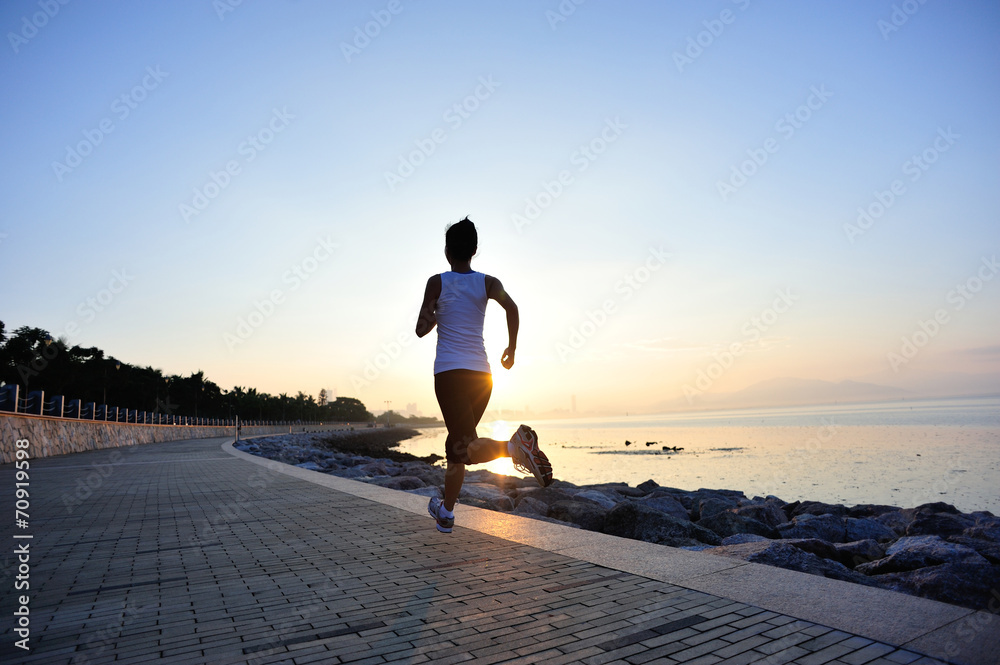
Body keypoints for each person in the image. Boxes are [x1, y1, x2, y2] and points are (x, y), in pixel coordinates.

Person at [415, 217, 553, 533]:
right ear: (475, 250)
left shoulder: (437, 282)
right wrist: (512, 349)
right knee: (457, 447)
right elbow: (513, 308)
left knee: (465, 446)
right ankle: (447, 512)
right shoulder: (488, 282)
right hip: (482, 376)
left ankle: (514, 447)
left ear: (447, 251)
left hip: (449, 374)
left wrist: (435, 314)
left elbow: (421, 329)